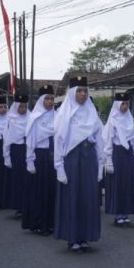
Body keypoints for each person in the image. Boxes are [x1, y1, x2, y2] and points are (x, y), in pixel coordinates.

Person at [54, 76, 104, 253]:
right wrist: (59, 167)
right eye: (79, 91)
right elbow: (59, 141)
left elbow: (99, 140)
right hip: (72, 159)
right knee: (73, 198)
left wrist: (100, 164)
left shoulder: (92, 113)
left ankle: (85, 236)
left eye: (85, 91)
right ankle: (73, 238)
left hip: (89, 157)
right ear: (73, 93)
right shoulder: (64, 114)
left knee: (88, 198)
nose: (83, 94)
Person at [22, 85, 56, 236]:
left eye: (52, 99)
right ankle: (38, 223)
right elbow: (30, 140)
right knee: (39, 192)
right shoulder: (34, 118)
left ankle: (51, 223)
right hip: (39, 157)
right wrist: (30, 160)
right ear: (41, 100)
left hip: (53, 157)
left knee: (52, 192)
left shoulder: (58, 116)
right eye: (47, 99)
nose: (50, 102)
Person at [103, 92, 134, 227]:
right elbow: (108, 141)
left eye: (127, 103)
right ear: (117, 105)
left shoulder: (129, 119)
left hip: (128, 154)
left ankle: (126, 213)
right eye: (122, 103)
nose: (125, 106)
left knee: (128, 183)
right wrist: (109, 161)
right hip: (117, 154)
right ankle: (118, 214)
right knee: (118, 184)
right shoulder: (113, 121)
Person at [3, 92, 30, 216]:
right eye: (21, 106)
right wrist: (6, 156)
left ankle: (27, 206)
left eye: (25, 106)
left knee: (28, 180)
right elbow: (6, 139)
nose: (23, 109)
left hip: (27, 150)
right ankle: (18, 207)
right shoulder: (10, 120)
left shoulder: (31, 118)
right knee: (17, 180)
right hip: (15, 151)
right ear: (16, 107)